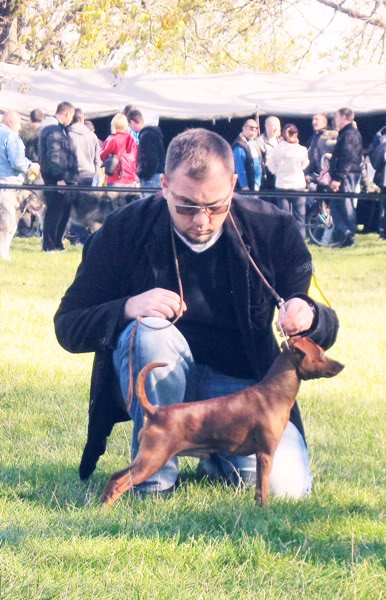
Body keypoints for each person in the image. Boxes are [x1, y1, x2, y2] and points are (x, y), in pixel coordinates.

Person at [54, 128, 339, 498]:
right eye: (187, 206)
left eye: (216, 206)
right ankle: (155, 483)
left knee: (288, 489)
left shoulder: (272, 226)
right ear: (165, 186)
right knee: (151, 332)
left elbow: (327, 319)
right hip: (164, 380)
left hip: (242, 391)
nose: (202, 220)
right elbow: (68, 324)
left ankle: (215, 451)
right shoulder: (124, 229)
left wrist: (309, 312)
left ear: (234, 184)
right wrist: (128, 307)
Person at [38, 101, 78, 251]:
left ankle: (57, 243)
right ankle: (49, 245)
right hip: (57, 179)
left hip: (63, 178)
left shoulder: (58, 129)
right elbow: (54, 156)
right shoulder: (54, 130)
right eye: (71, 116)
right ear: (66, 113)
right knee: (54, 212)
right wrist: (60, 177)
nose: (72, 119)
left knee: (62, 212)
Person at [266, 124, 309, 239]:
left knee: (284, 215)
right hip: (298, 185)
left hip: (282, 184)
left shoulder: (276, 149)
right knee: (300, 215)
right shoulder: (302, 150)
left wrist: (277, 172)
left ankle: (286, 239)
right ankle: (300, 239)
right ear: (296, 134)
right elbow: (305, 165)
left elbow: (270, 165)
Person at [329, 107, 363, 247]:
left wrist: (338, 178)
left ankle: (349, 237)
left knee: (345, 206)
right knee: (337, 204)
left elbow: (348, 157)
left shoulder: (349, 134)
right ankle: (344, 236)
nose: (335, 120)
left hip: (347, 175)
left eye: (337, 116)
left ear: (344, 117)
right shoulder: (346, 133)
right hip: (346, 174)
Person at [0, 111, 40, 183]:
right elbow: (18, 163)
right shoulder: (11, 136)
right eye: (19, 123)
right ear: (10, 122)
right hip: (8, 183)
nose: (20, 127)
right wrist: (31, 166)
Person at [100, 113, 138, 187]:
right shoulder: (132, 140)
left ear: (114, 125)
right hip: (131, 181)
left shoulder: (113, 140)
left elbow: (102, 156)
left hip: (116, 179)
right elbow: (136, 159)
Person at [68, 108, 101, 185]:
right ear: (82, 118)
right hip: (90, 176)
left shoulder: (67, 135)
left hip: (73, 177)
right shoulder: (92, 136)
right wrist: (96, 176)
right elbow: (97, 160)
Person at [232, 119, 263, 192]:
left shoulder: (254, 143)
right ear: (244, 128)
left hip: (257, 186)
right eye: (251, 129)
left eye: (255, 130)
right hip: (248, 187)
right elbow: (240, 168)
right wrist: (244, 186)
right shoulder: (239, 146)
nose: (253, 133)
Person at [256, 115, 282, 190]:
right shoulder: (259, 142)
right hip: (266, 181)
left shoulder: (281, 141)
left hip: (280, 181)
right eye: (274, 125)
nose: (277, 128)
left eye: (278, 125)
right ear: (266, 126)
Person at [138, 124, 165, 190]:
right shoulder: (155, 136)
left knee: (149, 199)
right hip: (158, 174)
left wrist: (146, 175)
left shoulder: (146, 136)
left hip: (151, 177)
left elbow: (151, 157)